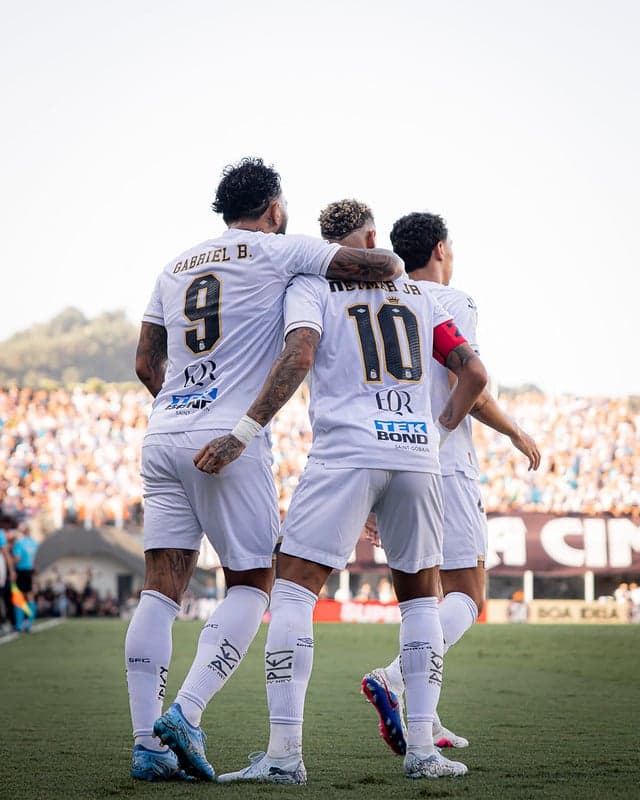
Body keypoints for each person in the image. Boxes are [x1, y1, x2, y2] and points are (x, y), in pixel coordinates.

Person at [127, 157, 403, 782]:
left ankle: (147, 746)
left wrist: (184, 409)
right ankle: (187, 716)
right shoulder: (281, 251)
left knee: (159, 588)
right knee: (254, 582)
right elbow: (382, 268)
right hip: (230, 439)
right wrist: (236, 428)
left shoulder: (174, 265)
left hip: (165, 430)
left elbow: (147, 360)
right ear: (274, 209)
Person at [195, 201, 488, 782]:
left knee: (296, 593)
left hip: (346, 452)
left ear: (328, 244)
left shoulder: (312, 283)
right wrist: (434, 430)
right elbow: (473, 372)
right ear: (373, 238)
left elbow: (299, 352)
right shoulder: (420, 295)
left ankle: (283, 756)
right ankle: (425, 753)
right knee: (422, 600)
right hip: (415, 456)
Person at [359, 210, 540, 753]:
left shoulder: (380, 299)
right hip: (446, 461)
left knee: (422, 595)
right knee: (466, 594)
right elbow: (471, 382)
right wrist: (514, 430)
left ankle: (425, 717)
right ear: (440, 248)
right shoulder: (452, 301)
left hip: (391, 455)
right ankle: (392, 678)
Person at [11, 523, 39, 632]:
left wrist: (10, 564)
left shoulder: (20, 543)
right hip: (30, 571)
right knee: (30, 597)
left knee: (19, 597)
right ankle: (29, 623)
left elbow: (17, 558)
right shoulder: (34, 543)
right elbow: (36, 560)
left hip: (21, 571)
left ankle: (19, 624)